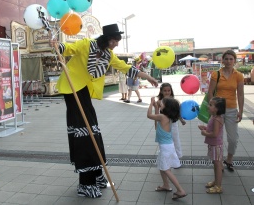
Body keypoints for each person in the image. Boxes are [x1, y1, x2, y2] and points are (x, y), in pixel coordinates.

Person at [51, 24, 158, 198]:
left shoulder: (109, 55)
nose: (116, 44)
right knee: (84, 131)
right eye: (114, 40)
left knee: (93, 130)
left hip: (84, 90)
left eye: (117, 41)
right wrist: (55, 44)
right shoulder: (86, 44)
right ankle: (86, 183)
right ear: (107, 38)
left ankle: (96, 174)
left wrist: (149, 77)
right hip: (72, 88)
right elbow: (66, 48)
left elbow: (128, 69)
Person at [208, 50, 244, 172]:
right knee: (217, 137)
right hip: (218, 110)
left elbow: (240, 94)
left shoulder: (238, 75)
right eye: (226, 59)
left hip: (232, 110)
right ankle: (218, 162)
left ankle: (229, 159)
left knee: (233, 138)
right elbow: (210, 92)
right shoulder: (216, 74)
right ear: (222, 60)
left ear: (234, 61)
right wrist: (212, 109)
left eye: (231, 59)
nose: (228, 61)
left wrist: (241, 111)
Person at [147, 97, 187, 200]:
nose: (160, 103)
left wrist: (151, 104)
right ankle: (166, 185)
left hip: (165, 148)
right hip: (168, 146)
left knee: (166, 169)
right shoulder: (166, 117)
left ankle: (180, 190)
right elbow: (156, 116)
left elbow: (149, 115)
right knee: (162, 166)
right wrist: (157, 107)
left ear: (167, 107)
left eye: (162, 103)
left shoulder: (162, 117)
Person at [198, 97, 226, 194]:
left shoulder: (217, 119)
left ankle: (218, 186)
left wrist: (204, 133)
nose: (208, 106)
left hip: (216, 146)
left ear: (217, 109)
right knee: (215, 163)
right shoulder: (213, 117)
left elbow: (215, 134)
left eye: (210, 105)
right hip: (213, 145)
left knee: (217, 164)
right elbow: (213, 129)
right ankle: (216, 181)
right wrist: (205, 127)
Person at [156, 83, 186, 159]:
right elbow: (156, 115)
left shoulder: (173, 101)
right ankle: (164, 156)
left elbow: (177, 112)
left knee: (176, 140)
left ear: (171, 91)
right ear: (161, 91)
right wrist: (156, 125)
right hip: (163, 125)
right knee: (164, 141)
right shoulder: (159, 102)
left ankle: (178, 157)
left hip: (173, 124)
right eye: (165, 91)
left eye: (169, 90)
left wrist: (181, 120)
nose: (167, 92)